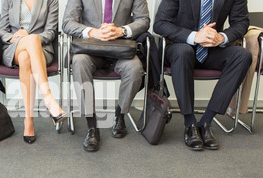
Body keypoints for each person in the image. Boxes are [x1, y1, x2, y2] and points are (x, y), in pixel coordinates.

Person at [154, 0, 252, 151]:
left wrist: (221, 37)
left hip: (211, 48)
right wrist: (194, 36)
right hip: (179, 46)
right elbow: (160, 23)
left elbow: (241, 23)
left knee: (242, 56)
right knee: (183, 51)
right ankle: (190, 123)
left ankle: (206, 122)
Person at [62, 0, 150, 152]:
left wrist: (121, 31)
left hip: (120, 49)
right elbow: (68, 22)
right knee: (78, 61)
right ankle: (92, 126)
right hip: (90, 48)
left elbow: (143, 20)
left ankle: (120, 116)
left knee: (135, 68)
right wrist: (92, 32)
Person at [0, 0, 67, 144]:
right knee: (25, 49)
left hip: (41, 50)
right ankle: (49, 100)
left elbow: (51, 32)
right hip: (13, 47)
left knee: (25, 57)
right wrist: (16, 38)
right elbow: (2, 31)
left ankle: (28, 120)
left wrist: (30, 38)